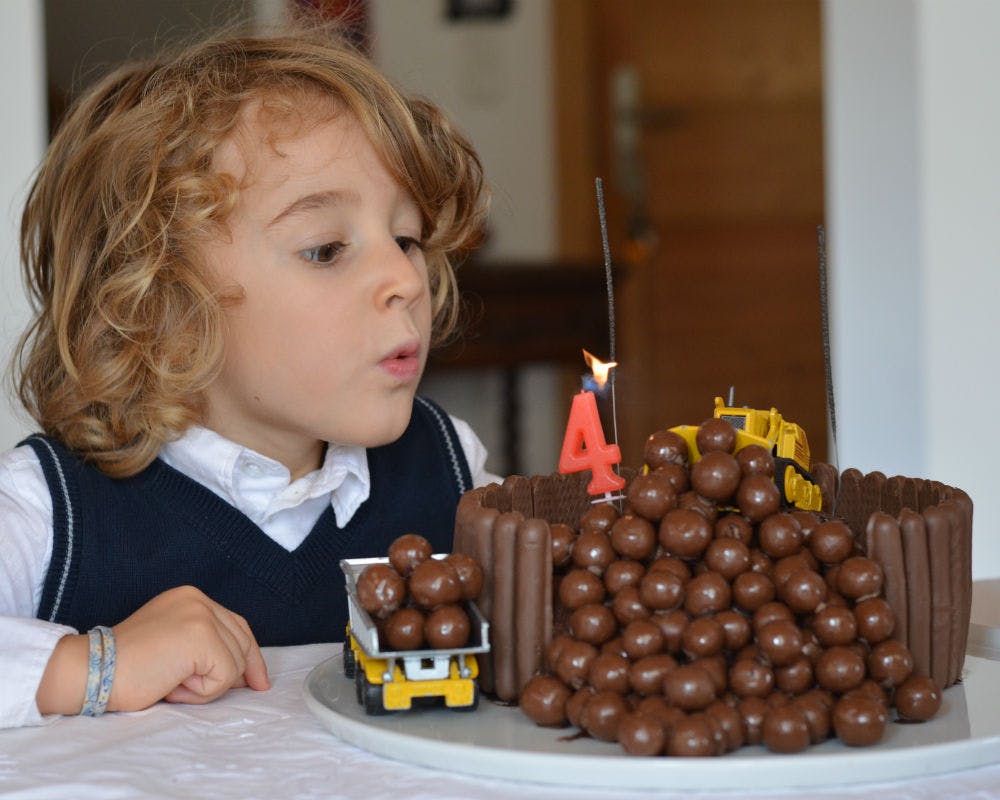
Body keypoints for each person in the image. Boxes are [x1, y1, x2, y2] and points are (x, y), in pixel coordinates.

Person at [0, 19, 497, 729]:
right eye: (327, 249)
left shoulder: (451, 465)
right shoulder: (51, 510)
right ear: (159, 302)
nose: (404, 279)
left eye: (408, 238)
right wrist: (92, 666)